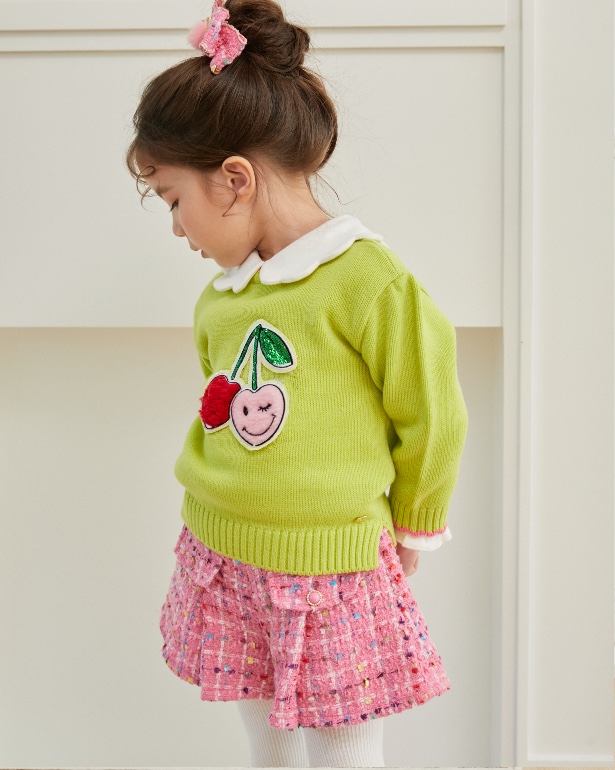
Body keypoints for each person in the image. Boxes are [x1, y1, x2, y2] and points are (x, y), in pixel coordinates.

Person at [125, 0, 468, 766]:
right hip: (223, 552)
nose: (177, 227)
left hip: (331, 566)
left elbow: (432, 411)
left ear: (234, 179)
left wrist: (414, 521)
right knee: (264, 735)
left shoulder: (367, 282)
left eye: (175, 201)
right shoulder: (222, 300)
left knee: (345, 744)